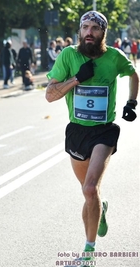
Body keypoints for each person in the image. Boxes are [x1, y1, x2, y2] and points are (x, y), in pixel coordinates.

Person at [45, 11, 138, 265]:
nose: (89, 32)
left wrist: (131, 102)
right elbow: (50, 95)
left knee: (89, 187)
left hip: (104, 130)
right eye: (85, 27)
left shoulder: (114, 57)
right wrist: (76, 79)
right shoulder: (68, 55)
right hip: (77, 131)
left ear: (103, 33)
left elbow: (133, 74)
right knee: (89, 194)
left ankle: (89, 252)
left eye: (94, 28)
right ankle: (101, 205)